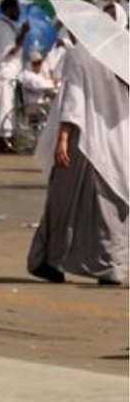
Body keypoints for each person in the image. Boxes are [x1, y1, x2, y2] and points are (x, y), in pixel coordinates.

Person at [26, 37, 127, 286]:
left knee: (64, 201)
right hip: (118, 140)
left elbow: (74, 97)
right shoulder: (121, 52)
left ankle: (49, 260)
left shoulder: (78, 54)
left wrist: (62, 137)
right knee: (109, 202)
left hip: (84, 141)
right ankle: (111, 263)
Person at [0, 0, 30, 153]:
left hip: (8, 73)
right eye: (16, 9)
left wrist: (21, 32)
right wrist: (23, 34)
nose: (18, 12)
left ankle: (6, 140)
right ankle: (4, 141)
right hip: (3, 73)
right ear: (8, 9)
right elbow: (11, 50)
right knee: (3, 107)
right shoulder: (2, 26)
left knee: (6, 107)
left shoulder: (7, 25)